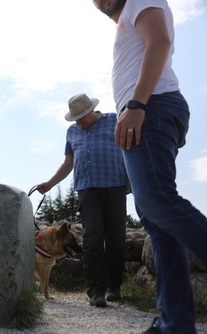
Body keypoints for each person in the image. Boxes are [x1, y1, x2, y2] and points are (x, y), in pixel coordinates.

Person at [92, 0, 207, 333]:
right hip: (146, 111)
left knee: (158, 200)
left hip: (150, 107)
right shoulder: (126, 21)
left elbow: (160, 42)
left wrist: (137, 104)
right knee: (157, 222)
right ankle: (175, 323)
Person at [36, 93, 128, 308]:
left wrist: (135, 179)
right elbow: (69, 163)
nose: (78, 121)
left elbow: (130, 147)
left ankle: (114, 286)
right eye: (75, 118)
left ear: (91, 111)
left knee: (116, 237)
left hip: (115, 185)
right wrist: (50, 183)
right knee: (92, 235)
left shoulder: (115, 120)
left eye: (81, 117)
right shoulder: (72, 132)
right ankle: (96, 290)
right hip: (87, 189)